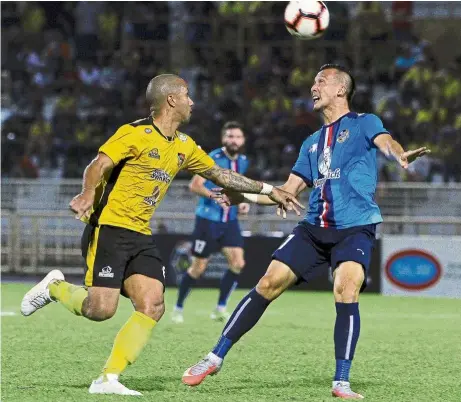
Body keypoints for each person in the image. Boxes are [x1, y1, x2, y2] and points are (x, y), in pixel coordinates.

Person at [20, 74, 303, 396]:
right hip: (109, 228)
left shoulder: (184, 145)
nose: (192, 101)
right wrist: (86, 194)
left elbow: (220, 174)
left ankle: (108, 379)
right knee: (101, 310)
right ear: (171, 99)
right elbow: (97, 165)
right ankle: (55, 287)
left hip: (140, 235)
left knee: (152, 305)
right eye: (186, 95)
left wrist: (270, 190)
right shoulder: (134, 134)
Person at [182, 64, 430, 399]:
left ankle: (341, 382)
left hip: (355, 228)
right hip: (314, 229)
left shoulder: (364, 123)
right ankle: (214, 357)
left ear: (341, 89)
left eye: (321, 81)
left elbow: (386, 142)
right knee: (267, 283)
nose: (313, 87)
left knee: (346, 288)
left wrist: (399, 156)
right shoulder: (311, 143)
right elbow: (286, 192)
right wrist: (243, 195)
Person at [172, 121, 250, 323]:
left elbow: (235, 188)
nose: (234, 140)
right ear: (224, 139)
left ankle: (220, 308)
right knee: (198, 268)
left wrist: (240, 202)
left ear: (243, 140)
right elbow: (195, 185)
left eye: (237, 137)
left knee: (238, 263)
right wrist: (215, 197)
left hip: (229, 222)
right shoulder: (210, 158)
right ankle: (178, 308)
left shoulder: (242, 161)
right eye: (230, 136)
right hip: (208, 221)